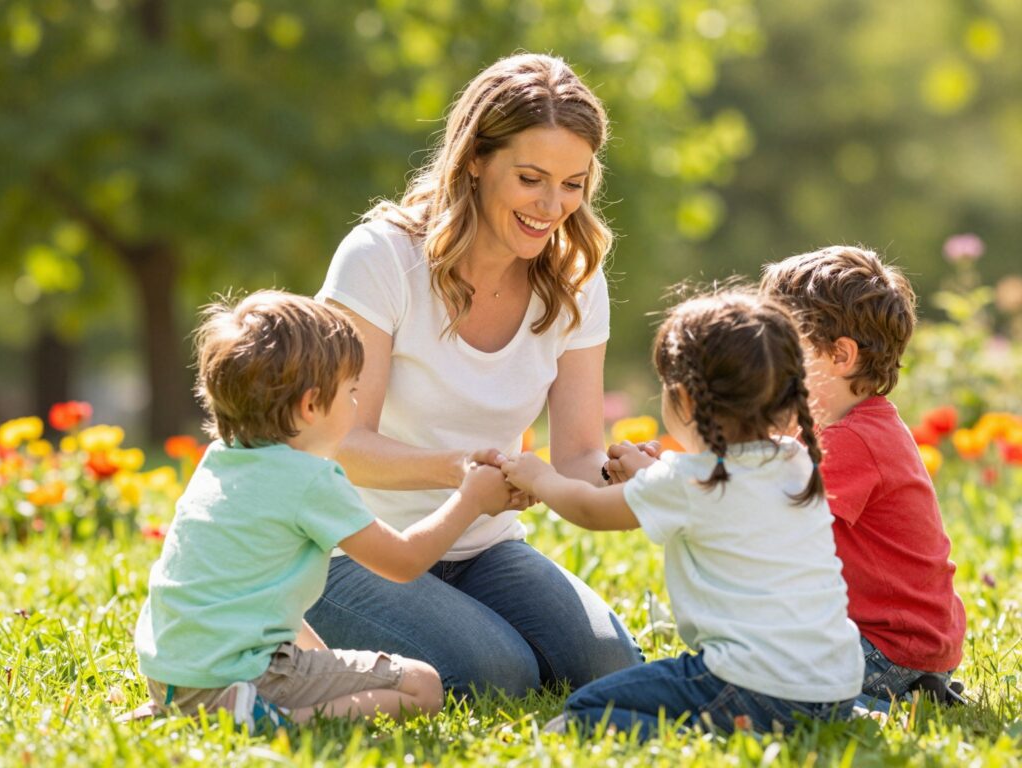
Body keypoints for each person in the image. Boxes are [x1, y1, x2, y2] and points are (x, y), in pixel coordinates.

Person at [306, 53, 643, 698]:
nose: (553, 207)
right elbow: (340, 446)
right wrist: (461, 473)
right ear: (475, 160)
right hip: (351, 547)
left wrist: (619, 479)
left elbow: (574, 453)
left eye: (573, 183)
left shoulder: (575, 279)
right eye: (531, 178)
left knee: (609, 666)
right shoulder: (381, 257)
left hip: (481, 546)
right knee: (499, 674)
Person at [134, 291, 511, 730]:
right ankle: (276, 720)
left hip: (171, 675)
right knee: (422, 686)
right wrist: (472, 499)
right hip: (240, 674)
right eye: (351, 391)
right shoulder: (309, 478)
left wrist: (327, 667)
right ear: (311, 405)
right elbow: (403, 561)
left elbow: (272, 613)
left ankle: (196, 710)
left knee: (329, 667)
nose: (356, 405)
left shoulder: (222, 459)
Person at [503, 289, 864, 738]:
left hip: (749, 682)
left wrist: (539, 477)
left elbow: (591, 510)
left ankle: (717, 734)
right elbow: (712, 496)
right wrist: (648, 475)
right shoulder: (793, 459)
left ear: (686, 401)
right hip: (836, 686)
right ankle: (783, 723)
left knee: (587, 707)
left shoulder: (687, 483)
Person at [761, 246, 966, 702]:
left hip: (887, 650)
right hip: (909, 644)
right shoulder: (853, 425)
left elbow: (764, 514)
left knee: (753, 662)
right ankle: (912, 691)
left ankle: (870, 703)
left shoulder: (852, 440)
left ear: (840, 356)